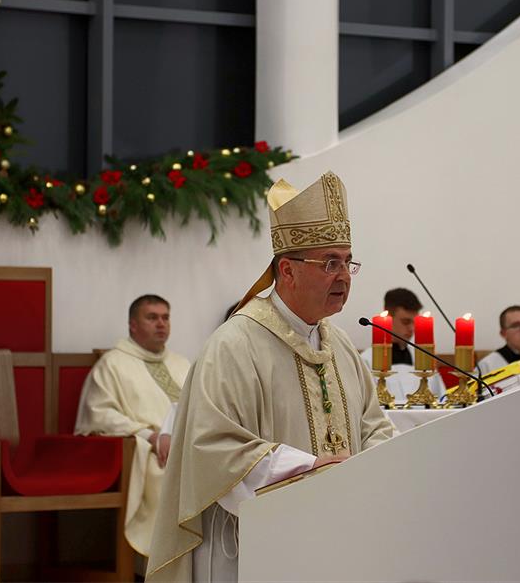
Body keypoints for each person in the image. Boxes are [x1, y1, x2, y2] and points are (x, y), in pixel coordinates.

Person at [147, 171, 395, 581]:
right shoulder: (234, 346)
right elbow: (214, 450)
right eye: (330, 263)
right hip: (251, 546)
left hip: (336, 534)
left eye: (348, 262)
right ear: (288, 270)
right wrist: (312, 468)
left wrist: (366, 472)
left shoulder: (341, 346)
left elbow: (375, 427)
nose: (343, 276)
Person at [74, 294, 190, 559]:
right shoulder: (113, 364)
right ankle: (161, 562)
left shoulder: (182, 364)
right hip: (149, 451)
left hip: (188, 447)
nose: (161, 324)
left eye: (165, 318)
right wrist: (150, 436)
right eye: (152, 318)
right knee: (167, 474)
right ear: (133, 325)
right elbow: (100, 414)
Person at [358, 288, 445, 404]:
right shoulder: (367, 360)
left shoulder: (424, 356)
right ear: (388, 318)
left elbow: (441, 398)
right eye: (405, 322)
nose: (412, 329)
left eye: (415, 322)